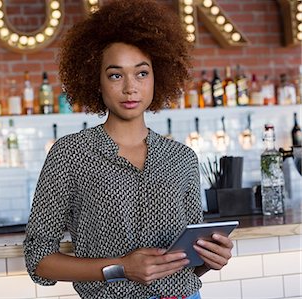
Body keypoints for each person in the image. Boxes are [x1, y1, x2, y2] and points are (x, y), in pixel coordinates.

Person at [23, 1, 234, 298]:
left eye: (141, 73)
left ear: (157, 76)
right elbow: (39, 260)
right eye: (115, 75)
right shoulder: (69, 154)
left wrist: (211, 259)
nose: (130, 88)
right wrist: (121, 267)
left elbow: (188, 262)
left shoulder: (182, 158)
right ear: (96, 81)